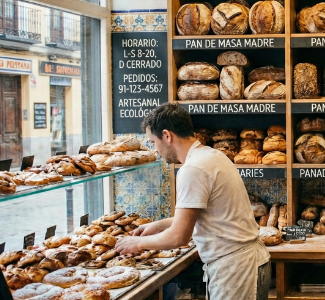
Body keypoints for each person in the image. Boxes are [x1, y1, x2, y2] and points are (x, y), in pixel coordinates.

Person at [115, 103, 270, 300]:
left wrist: (138, 243)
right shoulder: (211, 156)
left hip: (236, 270)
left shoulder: (193, 169)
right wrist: (158, 225)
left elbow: (179, 236)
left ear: (167, 135)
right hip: (246, 261)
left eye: (153, 142)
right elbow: (208, 214)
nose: (155, 151)